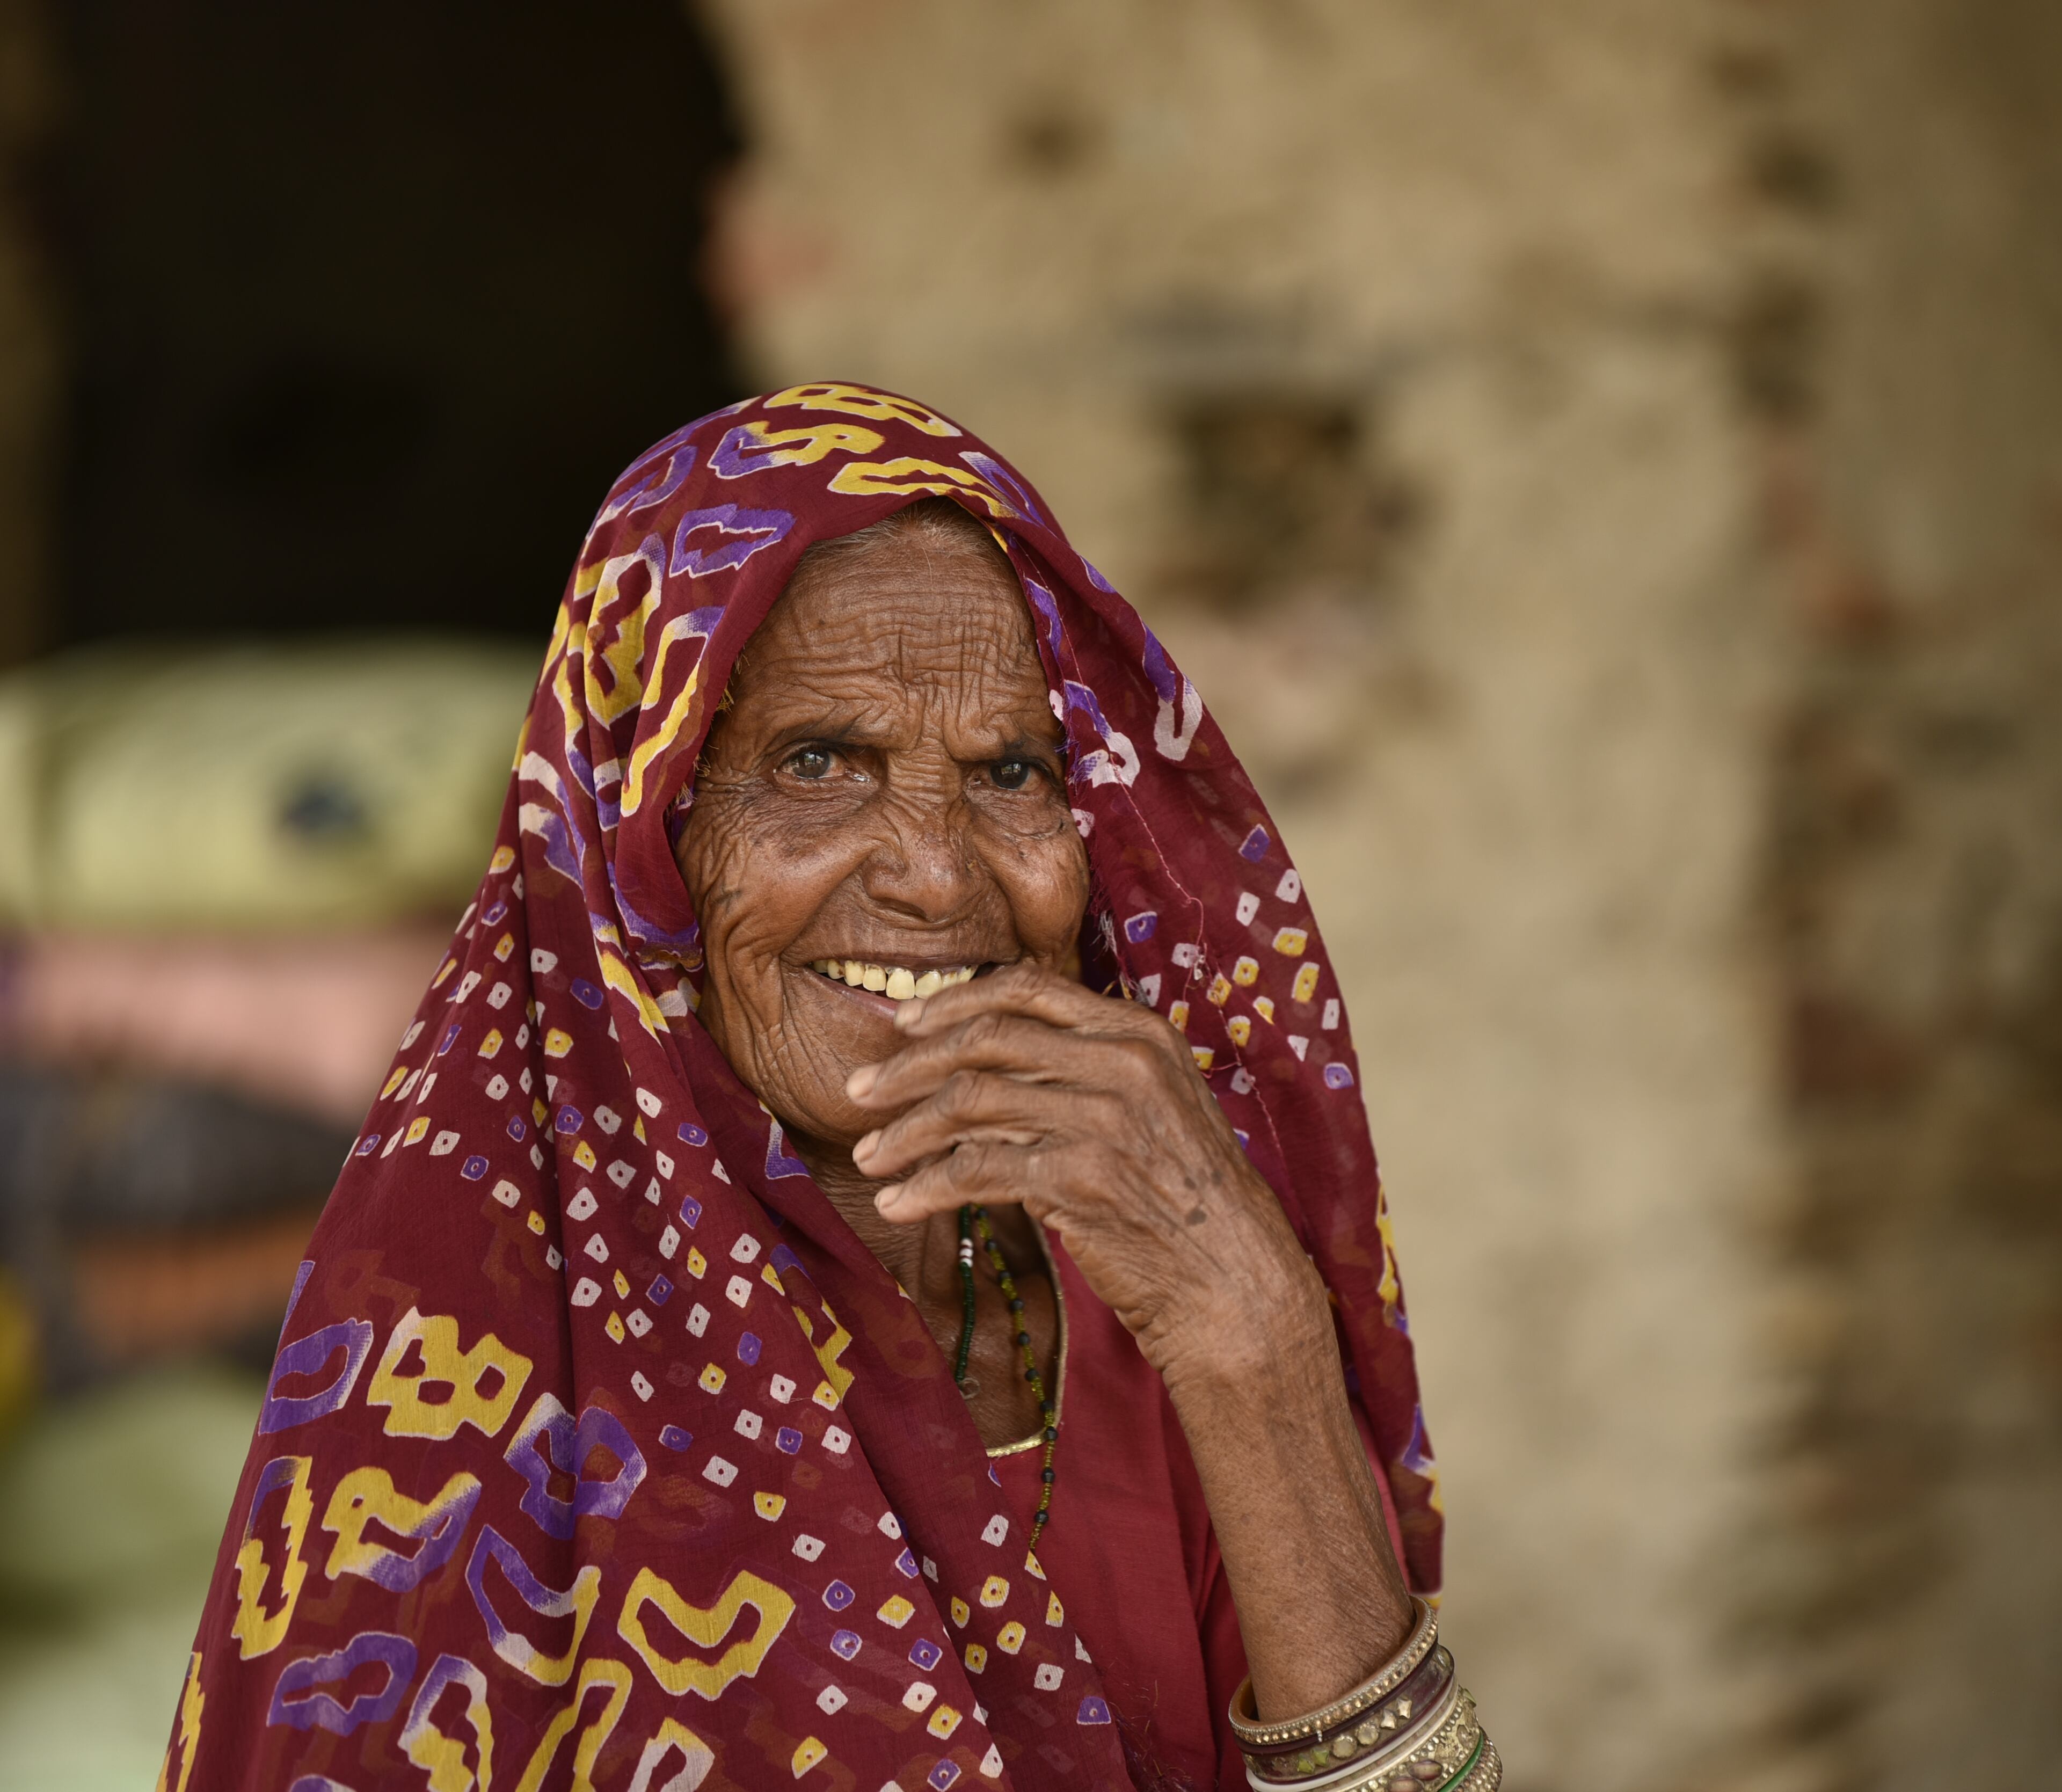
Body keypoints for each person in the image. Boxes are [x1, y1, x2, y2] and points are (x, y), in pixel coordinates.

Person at [159, 384, 1495, 1792]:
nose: (935, 870)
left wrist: (1252, 1332)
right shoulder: (463, 1348)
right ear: (649, 830)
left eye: (1011, 771)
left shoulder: (1154, 1285)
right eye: (816, 763)